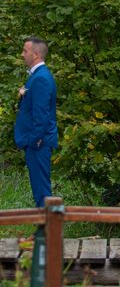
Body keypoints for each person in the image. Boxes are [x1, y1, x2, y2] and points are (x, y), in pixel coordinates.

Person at [14, 37, 58, 208]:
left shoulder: (41, 78)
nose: (22, 54)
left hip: (39, 142)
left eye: (25, 51)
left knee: (42, 191)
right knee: (40, 189)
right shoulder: (37, 76)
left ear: (36, 54)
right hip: (36, 141)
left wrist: (34, 140)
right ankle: (45, 230)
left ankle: (47, 232)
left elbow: (41, 114)